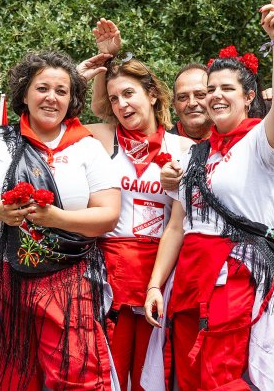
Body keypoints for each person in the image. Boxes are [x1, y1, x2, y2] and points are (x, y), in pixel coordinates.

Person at [144, 0, 274, 389]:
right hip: (190, 276)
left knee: (222, 373)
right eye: (210, 88)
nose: (215, 95)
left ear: (249, 98)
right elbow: (177, 226)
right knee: (192, 376)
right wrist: (155, 285)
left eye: (227, 88)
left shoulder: (262, 143)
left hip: (234, 271)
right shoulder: (196, 153)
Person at [0, 51, 121, 390]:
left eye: (61, 91)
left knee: (77, 372)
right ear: (24, 93)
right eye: (42, 88)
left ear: (72, 99)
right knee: (11, 374)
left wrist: (56, 217)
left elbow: (107, 214)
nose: (51, 98)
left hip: (67, 277)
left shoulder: (87, 147)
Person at [77, 23, 195, 391]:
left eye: (129, 93)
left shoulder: (182, 148)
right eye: (114, 99)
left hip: (159, 270)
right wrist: (99, 66)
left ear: (153, 95)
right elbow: (61, 120)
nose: (122, 104)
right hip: (109, 270)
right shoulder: (103, 139)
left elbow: (183, 222)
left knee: (152, 373)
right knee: (106, 370)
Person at [170, 64, 212, 142]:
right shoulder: (163, 146)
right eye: (183, 97)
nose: (192, 103)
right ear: (174, 106)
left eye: (200, 95)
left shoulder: (235, 143)